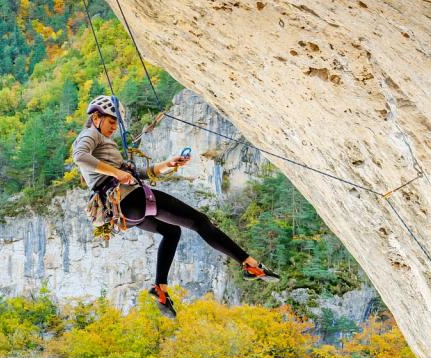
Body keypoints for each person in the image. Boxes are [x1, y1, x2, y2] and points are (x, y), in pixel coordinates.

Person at [69, 95, 279, 318]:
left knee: (172, 232)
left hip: (124, 212)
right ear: (96, 117)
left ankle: (161, 288)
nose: (113, 127)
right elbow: (80, 156)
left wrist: (167, 165)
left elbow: (140, 174)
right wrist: (118, 173)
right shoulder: (90, 134)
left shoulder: (105, 144)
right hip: (129, 199)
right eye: (111, 122)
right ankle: (249, 264)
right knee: (199, 221)